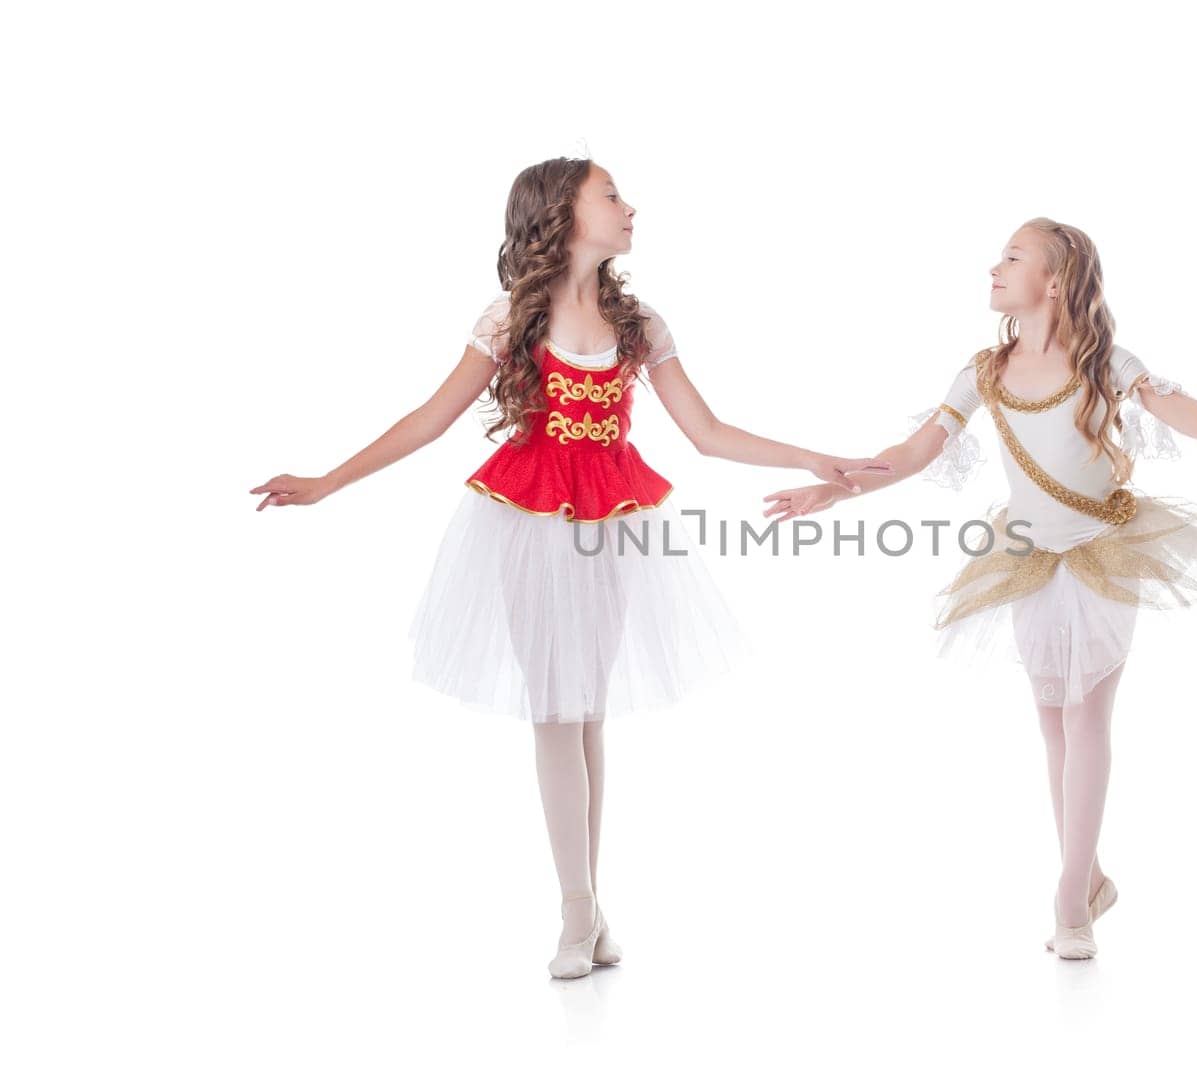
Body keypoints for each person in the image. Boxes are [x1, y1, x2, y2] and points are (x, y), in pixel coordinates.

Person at [250, 157, 891, 979]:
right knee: (557, 706)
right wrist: (328, 480)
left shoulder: (639, 323)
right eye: (613, 195)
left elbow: (707, 431)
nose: (631, 208)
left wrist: (817, 457)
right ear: (563, 212)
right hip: (526, 521)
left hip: (613, 522)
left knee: (584, 708)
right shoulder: (510, 317)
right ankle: (577, 910)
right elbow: (430, 418)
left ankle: (587, 905)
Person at [760, 217, 1197, 960]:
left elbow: (1172, 403)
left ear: (1053, 282)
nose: (994, 266)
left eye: (1012, 257)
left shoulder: (1101, 358)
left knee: (1086, 717)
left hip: (1101, 552)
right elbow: (917, 450)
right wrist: (841, 489)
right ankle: (1087, 877)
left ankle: (1068, 899)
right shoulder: (985, 371)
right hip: (1029, 557)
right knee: (1053, 720)